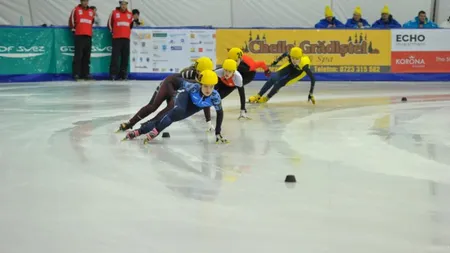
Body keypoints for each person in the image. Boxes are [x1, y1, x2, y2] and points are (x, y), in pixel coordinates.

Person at [124, 70, 229, 144]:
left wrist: (218, 132)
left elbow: (220, 113)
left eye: (211, 86)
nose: (208, 89)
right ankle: (145, 131)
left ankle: (143, 131)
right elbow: (176, 80)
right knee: (177, 111)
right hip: (184, 95)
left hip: (194, 106)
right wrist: (172, 91)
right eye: (205, 85)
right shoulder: (193, 87)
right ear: (201, 84)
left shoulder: (215, 96)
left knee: (173, 117)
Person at [117, 57, 214, 132]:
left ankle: (148, 126)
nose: (197, 71)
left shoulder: (207, 80)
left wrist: (208, 121)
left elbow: (205, 99)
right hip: (169, 84)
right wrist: (173, 94)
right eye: (197, 70)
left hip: (179, 90)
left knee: (170, 109)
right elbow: (173, 80)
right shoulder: (188, 73)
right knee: (152, 106)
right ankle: (130, 123)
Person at [248, 47, 316, 104]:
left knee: (279, 83)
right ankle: (258, 95)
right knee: (273, 78)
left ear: (300, 57)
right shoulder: (290, 54)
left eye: (297, 59)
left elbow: (313, 79)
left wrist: (311, 94)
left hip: (299, 71)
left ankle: (266, 98)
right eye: (293, 58)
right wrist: (276, 62)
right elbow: (284, 54)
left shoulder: (305, 65)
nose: (294, 61)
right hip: (290, 66)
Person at [69, 0, 95, 81]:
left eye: (86, 1)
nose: (85, 3)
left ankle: (86, 74)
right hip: (79, 36)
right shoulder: (76, 9)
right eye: (84, 1)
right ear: (81, 1)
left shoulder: (91, 11)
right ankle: (76, 74)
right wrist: (73, 30)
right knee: (78, 56)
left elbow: (92, 21)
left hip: (88, 36)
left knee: (87, 56)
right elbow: (71, 21)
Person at [108, 0, 133, 81]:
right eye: (122, 4)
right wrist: (113, 32)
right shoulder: (114, 12)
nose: (123, 6)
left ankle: (123, 74)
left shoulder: (130, 14)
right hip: (117, 38)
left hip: (126, 39)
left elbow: (131, 25)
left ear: (127, 5)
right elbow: (109, 24)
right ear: (120, 4)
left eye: (125, 4)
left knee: (125, 57)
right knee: (115, 57)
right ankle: (113, 74)